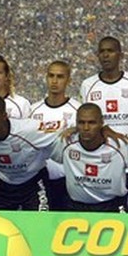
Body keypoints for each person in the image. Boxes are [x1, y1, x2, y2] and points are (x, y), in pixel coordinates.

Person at [79, 36, 128, 211]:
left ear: (120, 55)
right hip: (100, 163)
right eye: (102, 51)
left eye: (110, 51)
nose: (105, 55)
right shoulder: (88, 85)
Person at [0, 95, 64, 211]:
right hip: (3, 185)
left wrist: (72, 130)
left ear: (4, 116)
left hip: (34, 183)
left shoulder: (29, 130)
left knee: (40, 220)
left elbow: (64, 127)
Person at [50, 103, 128, 212]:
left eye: (92, 123)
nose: (86, 128)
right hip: (75, 208)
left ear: (102, 122)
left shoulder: (120, 146)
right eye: (81, 123)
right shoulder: (65, 142)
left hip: (111, 207)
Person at [30, 61, 81, 211]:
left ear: (68, 80)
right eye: (51, 76)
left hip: (68, 180)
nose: (54, 81)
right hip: (40, 180)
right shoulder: (33, 110)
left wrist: (76, 128)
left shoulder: (78, 110)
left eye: (60, 77)